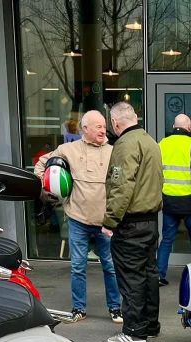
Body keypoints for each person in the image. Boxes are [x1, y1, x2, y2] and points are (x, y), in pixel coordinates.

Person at [34, 110, 122, 324]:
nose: (103, 130)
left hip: (105, 222)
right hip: (77, 219)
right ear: (85, 129)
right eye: (98, 126)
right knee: (78, 267)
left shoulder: (114, 151)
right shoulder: (68, 149)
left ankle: (116, 307)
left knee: (111, 267)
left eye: (104, 126)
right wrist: (44, 187)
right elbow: (41, 164)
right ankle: (79, 309)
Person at [101, 101, 164, 342]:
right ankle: (150, 325)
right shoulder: (150, 142)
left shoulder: (125, 144)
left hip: (131, 223)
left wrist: (110, 221)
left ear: (115, 122)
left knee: (131, 277)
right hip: (150, 220)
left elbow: (121, 186)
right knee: (149, 274)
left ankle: (134, 331)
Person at [156, 113, 191, 286]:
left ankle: (159, 275)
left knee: (167, 239)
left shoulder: (162, 143)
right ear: (189, 127)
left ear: (173, 126)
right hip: (190, 203)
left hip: (169, 201)